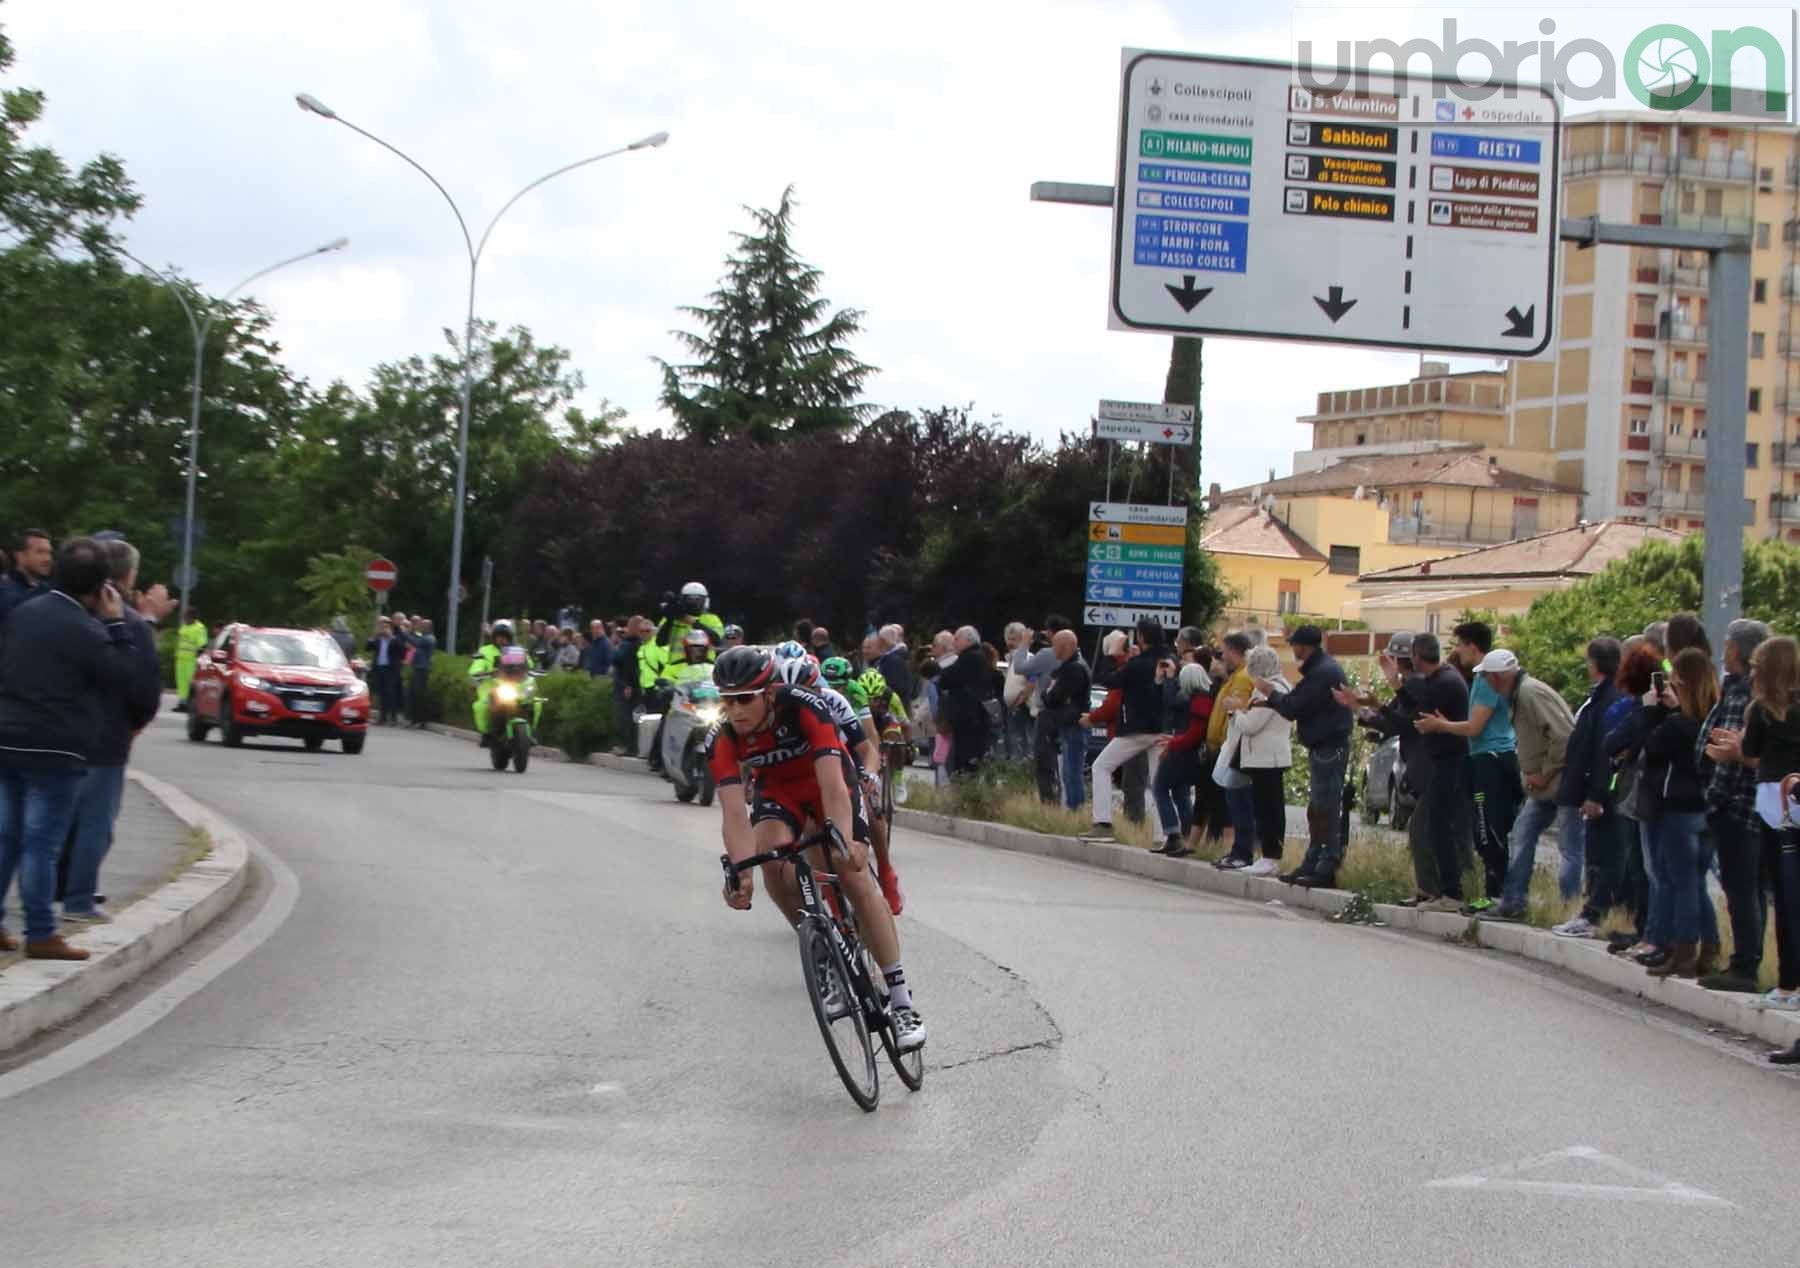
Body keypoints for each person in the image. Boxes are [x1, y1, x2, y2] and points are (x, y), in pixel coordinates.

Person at [710, 646, 925, 1050]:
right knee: (771, 858)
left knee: (852, 873)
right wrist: (741, 873)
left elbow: (833, 783)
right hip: (780, 794)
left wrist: (846, 837)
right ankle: (823, 951)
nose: (735, 710)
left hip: (829, 783)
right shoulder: (722, 738)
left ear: (769, 693)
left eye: (745, 699)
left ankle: (900, 999)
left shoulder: (806, 706)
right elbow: (734, 813)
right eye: (727, 700)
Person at [0, 538, 141, 959]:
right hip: (56, 747)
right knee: (41, 844)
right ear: (102, 589)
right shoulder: (88, 630)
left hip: (7, 737)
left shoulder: (22, 613)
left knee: (5, 836)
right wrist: (118, 625)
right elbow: (123, 680)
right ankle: (41, 933)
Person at [1613, 647, 1718, 979]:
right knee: (1695, 883)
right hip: (1707, 808)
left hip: (1679, 807)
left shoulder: (1679, 723)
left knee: (1680, 882)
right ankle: (1710, 946)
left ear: (1684, 684)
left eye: (1674, 682)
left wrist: (1652, 712)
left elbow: (1651, 748)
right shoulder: (1714, 715)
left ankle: (1683, 951)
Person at [1697, 618, 1772, 992]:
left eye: (1727, 644)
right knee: (1748, 889)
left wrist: (1713, 801)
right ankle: (1746, 960)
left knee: (1743, 889)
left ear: (1738, 650)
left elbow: (1730, 753)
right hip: (1744, 806)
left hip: (1738, 806)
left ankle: (1745, 965)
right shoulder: (1736, 689)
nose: (1723, 651)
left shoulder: (1745, 694)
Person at [1416, 647, 1523, 909]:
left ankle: (1496, 895)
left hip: (1491, 761)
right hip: (1483, 760)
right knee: (1482, 829)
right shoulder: (1481, 679)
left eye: (1461, 644)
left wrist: (1441, 726)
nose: (1456, 650)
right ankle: (1493, 894)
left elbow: (1474, 727)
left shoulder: (1489, 682)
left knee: (1488, 829)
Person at [1251, 625, 1352, 888]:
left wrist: (1268, 692)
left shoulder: (1322, 673)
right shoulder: (1320, 670)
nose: (1292, 649)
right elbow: (1296, 701)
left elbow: (1293, 706)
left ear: (1304, 646)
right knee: (1317, 809)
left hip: (1329, 748)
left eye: (1294, 644)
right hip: (1323, 747)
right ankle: (1313, 860)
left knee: (1326, 808)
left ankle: (1326, 864)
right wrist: (1272, 701)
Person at [1483, 651, 1578, 921]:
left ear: (1497, 677)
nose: (1486, 683)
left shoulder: (1530, 694)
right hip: (1543, 787)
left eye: (1487, 677)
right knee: (1522, 834)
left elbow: (1564, 737)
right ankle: (1514, 902)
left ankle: (1569, 910)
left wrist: (1544, 773)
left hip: (1559, 782)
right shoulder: (1518, 695)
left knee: (1570, 848)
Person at [1739, 635, 1800, 1011]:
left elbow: (1750, 753)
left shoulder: (1762, 710)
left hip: (1774, 804)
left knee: (1783, 895)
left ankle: (1789, 983)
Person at [1552, 638, 1627, 939]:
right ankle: (1594, 910)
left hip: (1604, 796)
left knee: (1607, 855)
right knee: (1594, 854)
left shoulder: (1610, 699)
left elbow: (1604, 752)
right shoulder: (1601, 697)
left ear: (1595, 663)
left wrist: (1597, 794)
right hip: (1593, 791)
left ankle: (1594, 914)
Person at [1082, 619, 1172, 844]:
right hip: (1163, 729)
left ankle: (1102, 824)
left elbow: (1107, 680)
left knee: (1101, 766)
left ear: (1140, 637)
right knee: (1158, 782)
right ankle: (1165, 835)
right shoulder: (1169, 660)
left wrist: (1112, 654)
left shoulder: (1137, 664)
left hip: (1136, 729)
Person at [1406, 633, 1475, 912]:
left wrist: (1396, 684)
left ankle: (1451, 891)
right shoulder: (1440, 679)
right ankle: (1437, 889)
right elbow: (1415, 713)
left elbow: (1417, 710)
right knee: (1431, 824)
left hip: (1452, 762)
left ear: (1416, 656)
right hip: (1444, 762)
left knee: (1437, 825)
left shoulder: (1445, 682)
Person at [1231, 645, 1293, 871]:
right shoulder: (1283, 685)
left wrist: (1237, 712)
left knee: (1268, 809)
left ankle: (1270, 856)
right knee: (1269, 807)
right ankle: (1268, 855)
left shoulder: (1271, 689)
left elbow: (1251, 725)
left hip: (1266, 758)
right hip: (1270, 756)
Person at [1150, 662, 1214, 856]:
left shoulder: (1196, 701)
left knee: (1160, 787)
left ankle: (1172, 834)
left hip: (1183, 751)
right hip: (1191, 753)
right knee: (1180, 793)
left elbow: (1193, 733)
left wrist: (1173, 743)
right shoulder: (1206, 697)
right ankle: (1187, 834)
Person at [1040, 629, 1091, 811]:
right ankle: (1072, 807)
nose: (1054, 652)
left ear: (1067, 646)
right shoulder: (1071, 666)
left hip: (1073, 725)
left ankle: (1075, 809)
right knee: (1068, 771)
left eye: (1057, 647)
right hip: (1069, 724)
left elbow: (1053, 697)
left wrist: (1048, 691)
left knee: (1072, 772)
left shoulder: (1073, 669)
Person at [938, 625, 994, 776]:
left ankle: (965, 787)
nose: (954, 643)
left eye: (957, 639)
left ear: (968, 640)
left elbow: (947, 678)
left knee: (966, 756)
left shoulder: (971, 657)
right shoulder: (972, 655)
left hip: (969, 716)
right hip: (967, 715)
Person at [468, 619, 518, 744]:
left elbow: (528, 664)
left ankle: (530, 732)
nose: (502, 639)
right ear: (494, 637)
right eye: (499, 636)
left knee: (535, 702)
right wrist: (479, 671)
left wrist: (534, 669)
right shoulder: (485, 650)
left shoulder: (516, 650)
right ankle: (486, 733)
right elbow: (477, 664)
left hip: (514, 686)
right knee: (482, 706)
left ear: (510, 637)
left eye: (505, 636)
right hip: (490, 686)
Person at [0, 527, 52, 623]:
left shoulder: (49, 590)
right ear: (20, 556)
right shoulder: (4, 593)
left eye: (49, 553)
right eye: (40, 552)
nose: (47, 558)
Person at [611, 616, 646, 756]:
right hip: (632, 685)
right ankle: (631, 747)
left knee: (627, 718)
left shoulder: (630, 644)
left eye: (631, 626)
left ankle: (629, 747)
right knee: (630, 718)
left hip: (629, 686)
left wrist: (627, 685)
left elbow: (621, 663)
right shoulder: (636, 644)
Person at [366, 617, 406, 726]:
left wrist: (391, 637)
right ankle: (382, 717)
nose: (383, 629)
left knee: (391, 693)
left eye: (385, 627)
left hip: (391, 669)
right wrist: (374, 635)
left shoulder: (396, 638)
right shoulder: (378, 639)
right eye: (381, 626)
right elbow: (368, 647)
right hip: (379, 668)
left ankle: (393, 717)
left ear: (389, 628)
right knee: (382, 693)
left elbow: (402, 651)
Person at [402, 617, 436, 728]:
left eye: (423, 625)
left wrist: (406, 632)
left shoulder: (429, 638)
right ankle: (414, 719)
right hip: (417, 668)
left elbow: (415, 641)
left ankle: (422, 721)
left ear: (428, 627)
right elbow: (415, 640)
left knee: (419, 695)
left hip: (423, 669)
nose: (421, 626)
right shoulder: (424, 637)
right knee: (412, 694)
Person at [173, 608, 207, 712]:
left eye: (186, 616)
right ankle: (182, 703)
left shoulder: (199, 628)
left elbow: (202, 645)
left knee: (190, 683)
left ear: (192, 617)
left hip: (191, 661)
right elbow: (180, 642)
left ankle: (191, 705)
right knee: (181, 683)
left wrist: (199, 660)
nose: (184, 618)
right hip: (181, 660)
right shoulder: (184, 627)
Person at [875, 624, 914, 711]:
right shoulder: (892, 658)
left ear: (883, 641)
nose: (876, 642)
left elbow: (896, 687)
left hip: (896, 709)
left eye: (878, 639)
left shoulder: (892, 661)